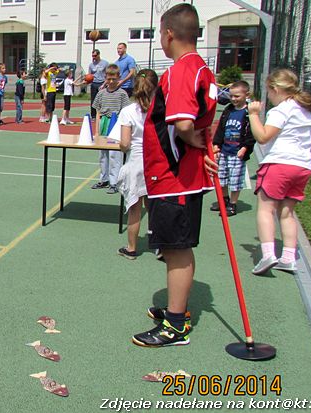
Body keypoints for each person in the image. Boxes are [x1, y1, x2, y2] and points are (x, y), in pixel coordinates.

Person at [133, 3, 217, 348]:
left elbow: (183, 122)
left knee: (176, 248)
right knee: (174, 245)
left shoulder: (183, 70)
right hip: (176, 176)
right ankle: (174, 309)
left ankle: (176, 324)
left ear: (168, 34)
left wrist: (188, 137)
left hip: (175, 178)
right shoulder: (200, 68)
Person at [247, 69, 311, 275]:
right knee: (287, 213)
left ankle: (268, 254)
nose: (268, 96)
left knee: (265, 209)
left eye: (269, 92)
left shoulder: (282, 110)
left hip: (280, 163)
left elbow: (263, 136)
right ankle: (288, 257)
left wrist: (253, 115)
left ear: (275, 89)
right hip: (302, 166)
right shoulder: (306, 109)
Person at [116, 69, 159, 260]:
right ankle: (161, 247)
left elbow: (125, 143)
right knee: (155, 206)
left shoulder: (128, 111)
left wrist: (120, 145)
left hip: (137, 160)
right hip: (157, 161)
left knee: (135, 206)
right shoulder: (160, 109)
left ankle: (132, 247)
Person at [210, 80, 255, 217]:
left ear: (246, 95)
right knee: (221, 177)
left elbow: (252, 132)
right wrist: (216, 144)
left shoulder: (248, 112)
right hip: (224, 150)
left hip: (237, 152)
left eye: (237, 96)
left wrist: (246, 147)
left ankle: (233, 204)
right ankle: (224, 200)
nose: (234, 99)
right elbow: (221, 128)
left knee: (235, 180)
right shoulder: (228, 110)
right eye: (232, 96)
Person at [91, 64, 130, 194]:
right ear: (105, 78)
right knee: (103, 154)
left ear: (119, 78)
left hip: (116, 125)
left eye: (114, 79)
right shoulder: (101, 93)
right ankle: (104, 179)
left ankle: (115, 182)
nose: (111, 82)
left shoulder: (122, 94)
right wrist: (96, 131)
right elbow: (97, 112)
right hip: (104, 123)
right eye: (109, 79)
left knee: (115, 155)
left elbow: (125, 113)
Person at [88, 49, 109, 120]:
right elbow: (89, 75)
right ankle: (93, 116)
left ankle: (103, 114)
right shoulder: (91, 65)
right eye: (92, 56)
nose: (93, 57)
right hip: (94, 83)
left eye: (95, 55)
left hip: (102, 83)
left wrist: (105, 84)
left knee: (103, 100)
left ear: (99, 55)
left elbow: (107, 75)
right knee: (93, 100)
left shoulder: (105, 63)